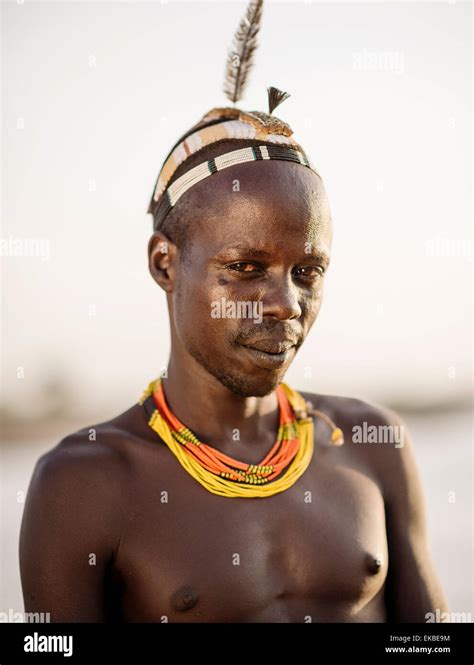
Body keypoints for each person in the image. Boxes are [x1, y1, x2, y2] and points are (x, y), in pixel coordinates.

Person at [19, 0, 448, 623]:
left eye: (308, 272)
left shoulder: (370, 443)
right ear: (165, 264)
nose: (285, 304)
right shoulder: (83, 483)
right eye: (246, 268)